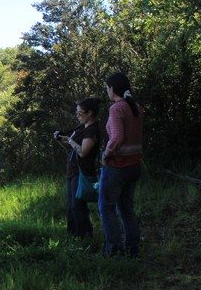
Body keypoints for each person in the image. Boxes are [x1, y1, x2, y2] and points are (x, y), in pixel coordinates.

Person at [99, 72, 144, 257]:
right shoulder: (136, 107)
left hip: (118, 165)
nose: (106, 91)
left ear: (112, 88)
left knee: (106, 207)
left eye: (107, 87)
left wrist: (106, 154)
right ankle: (133, 248)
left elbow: (117, 137)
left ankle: (114, 249)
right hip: (135, 165)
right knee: (126, 209)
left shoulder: (117, 108)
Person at [54, 97, 101, 238]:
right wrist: (61, 140)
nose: (78, 116)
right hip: (73, 170)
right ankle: (73, 235)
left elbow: (83, 151)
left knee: (77, 206)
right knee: (71, 206)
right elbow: (71, 149)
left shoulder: (92, 130)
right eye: (77, 113)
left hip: (82, 171)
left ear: (90, 113)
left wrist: (69, 140)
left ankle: (85, 235)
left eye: (80, 113)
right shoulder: (82, 128)